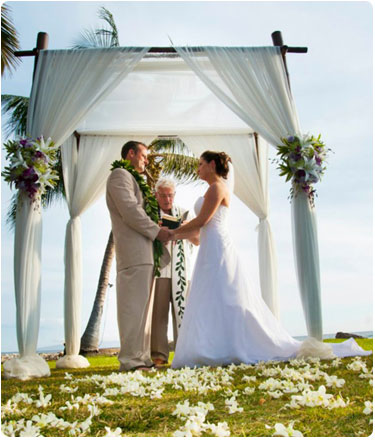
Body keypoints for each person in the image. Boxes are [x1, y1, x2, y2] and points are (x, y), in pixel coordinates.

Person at [170, 151, 371, 368]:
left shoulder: (217, 188)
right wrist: (178, 234)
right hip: (210, 246)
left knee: (226, 296)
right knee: (212, 297)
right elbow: (200, 232)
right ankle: (213, 345)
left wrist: (173, 232)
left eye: (200, 164)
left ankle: (227, 345)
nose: (197, 168)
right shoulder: (212, 189)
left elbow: (202, 220)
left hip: (217, 247)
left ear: (211, 165)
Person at [106, 141, 172, 372]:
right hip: (133, 253)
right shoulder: (120, 175)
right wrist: (157, 231)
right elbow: (131, 211)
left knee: (144, 310)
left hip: (145, 253)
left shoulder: (134, 179)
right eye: (143, 155)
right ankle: (130, 361)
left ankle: (142, 358)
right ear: (131, 153)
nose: (146, 160)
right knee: (132, 308)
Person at [151, 178, 198, 366]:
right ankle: (159, 355)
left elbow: (197, 239)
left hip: (182, 270)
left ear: (174, 195)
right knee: (158, 315)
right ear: (156, 195)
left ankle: (183, 352)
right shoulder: (150, 213)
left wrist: (182, 229)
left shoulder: (185, 212)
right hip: (160, 270)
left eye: (170, 195)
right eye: (163, 195)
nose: (167, 199)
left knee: (183, 312)